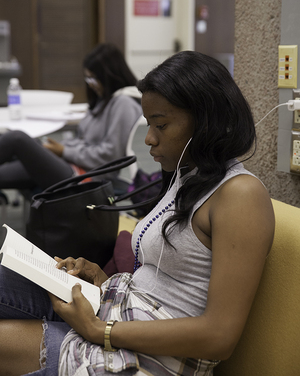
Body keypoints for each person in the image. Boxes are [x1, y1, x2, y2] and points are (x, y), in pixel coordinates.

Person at [0, 51, 275, 375]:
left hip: (145, 356)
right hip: (115, 313)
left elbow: (219, 336)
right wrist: (102, 279)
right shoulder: (189, 177)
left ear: (206, 121)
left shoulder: (241, 196)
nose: (149, 139)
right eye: (149, 124)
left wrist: (98, 331)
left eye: (161, 124)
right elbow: (164, 281)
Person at [0, 43, 142, 192]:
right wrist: (59, 149)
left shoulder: (123, 103)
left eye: (93, 79)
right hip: (70, 164)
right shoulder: (104, 99)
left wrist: (64, 151)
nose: (91, 84)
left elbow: (110, 156)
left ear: (109, 75)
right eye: (88, 79)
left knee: (17, 139)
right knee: (28, 145)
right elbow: (83, 140)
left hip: (85, 176)